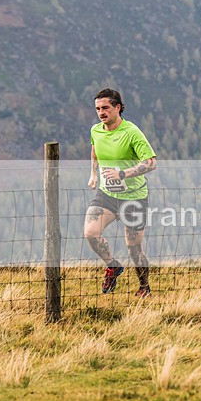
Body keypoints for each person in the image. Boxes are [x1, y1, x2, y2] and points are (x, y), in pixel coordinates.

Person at [84, 88, 157, 297]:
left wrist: (122, 174)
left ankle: (144, 288)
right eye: (98, 109)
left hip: (133, 198)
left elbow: (151, 162)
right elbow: (95, 151)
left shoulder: (132, 132)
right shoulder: (96, 130)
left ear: (118, 107)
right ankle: (113, 266)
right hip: (107, 195)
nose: (101, 112)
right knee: (90, 233)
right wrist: (94, 174)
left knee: (134, 248)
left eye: (105, 108)